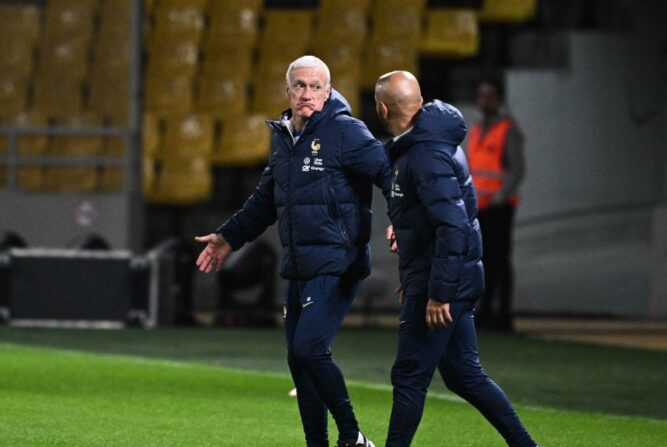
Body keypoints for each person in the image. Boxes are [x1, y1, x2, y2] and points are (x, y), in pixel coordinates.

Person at [195, 55, 390, 447]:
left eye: (315, 87)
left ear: (328, 91)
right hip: (299, 265)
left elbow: (391, 174)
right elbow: (266, 198)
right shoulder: (284, 137)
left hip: (338, 261)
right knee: (298, 361)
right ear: (287, 91)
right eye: (299, 86)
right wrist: (229, 237)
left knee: (310, 349)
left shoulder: (347, 133)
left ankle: (353, 438)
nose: (307, 94)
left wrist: (401, 220)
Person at [376, 71, 537, 447]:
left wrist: (437, 293)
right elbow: (431, 218)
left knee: (409, 375)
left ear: (383, 108)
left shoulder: (426, 155)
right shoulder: (421, 145)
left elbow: (454, 228)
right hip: (442, 274)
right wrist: (405, 239)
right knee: (464, 375)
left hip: (443, 282)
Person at [467, 78, 525, 331]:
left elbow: (516, 169)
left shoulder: (508, 130)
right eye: (481, 96)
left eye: (489, 96)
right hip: (479, 206)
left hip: (499, 207)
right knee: (483, 260)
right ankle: (485, 311)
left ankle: (503, 314)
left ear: (498, 99)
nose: (484, 101)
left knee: (499, 260)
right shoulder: (476, 130)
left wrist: (500, 197)